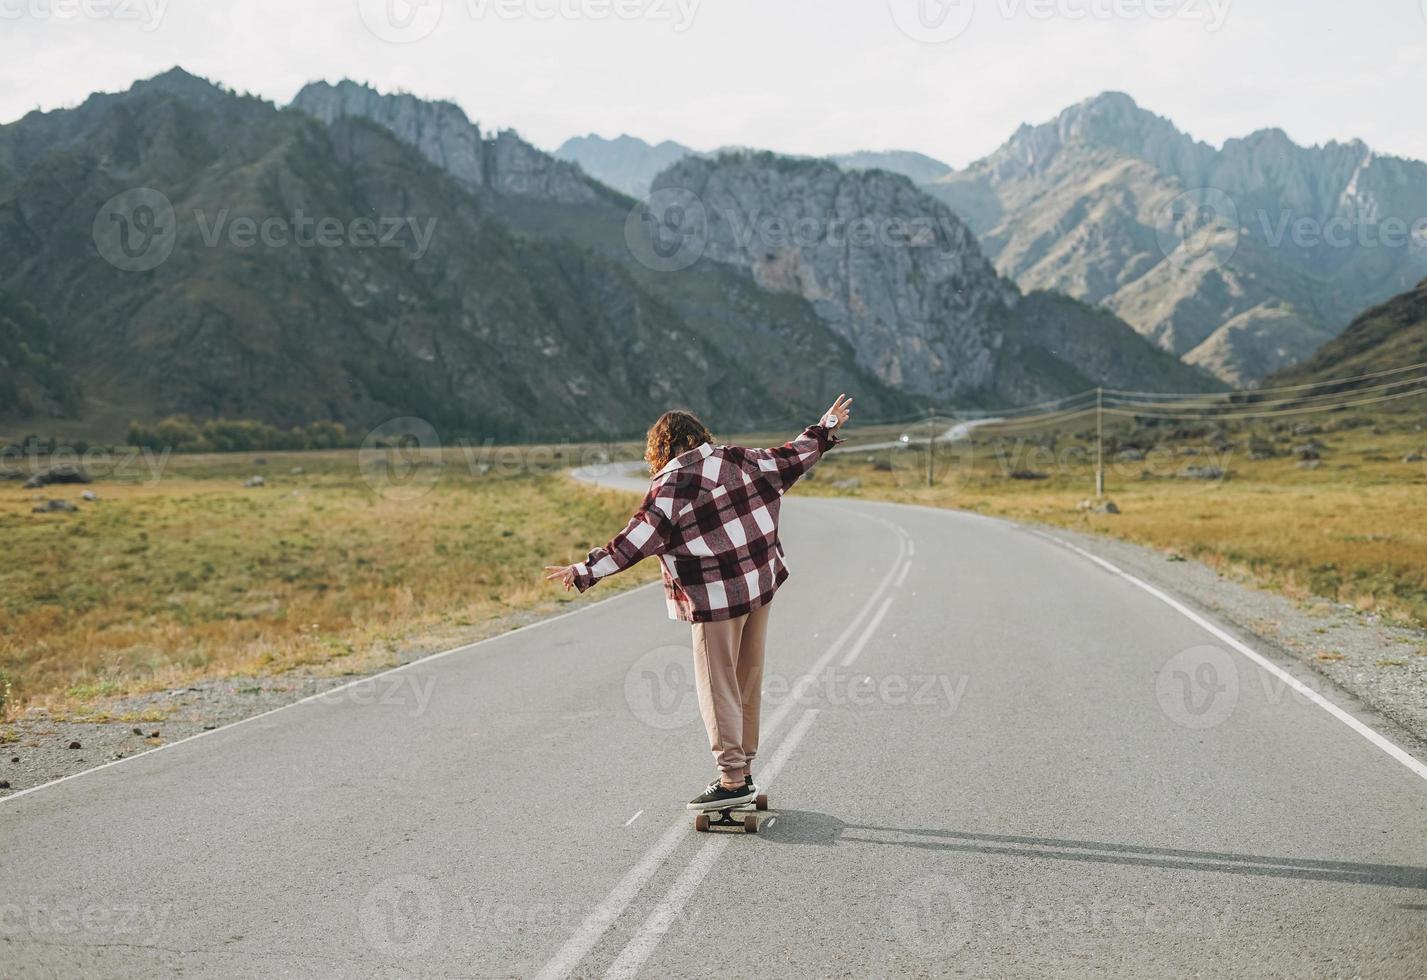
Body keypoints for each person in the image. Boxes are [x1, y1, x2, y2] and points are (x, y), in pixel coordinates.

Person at [545, 395, 853, 811]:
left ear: (662, 448)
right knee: (747, 680)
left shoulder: (670, 486)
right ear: (699, 436)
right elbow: (790, 458)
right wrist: (825, 426)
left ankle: (730, 780)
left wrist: (585, 570)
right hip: (757, 589)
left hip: (715, 599)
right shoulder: (736, 459)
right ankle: (743, 767)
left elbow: (636, 540)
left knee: (717, 684)